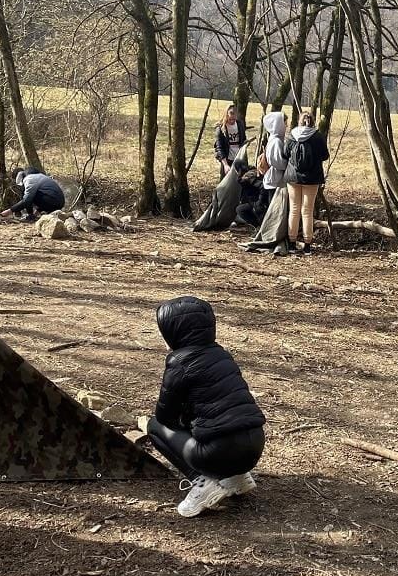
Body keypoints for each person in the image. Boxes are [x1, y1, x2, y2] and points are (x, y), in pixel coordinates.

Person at [137, 296, 267, 518]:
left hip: (218, 452)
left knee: (155, 426)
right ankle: (237, 477)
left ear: (175, 332)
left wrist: (185, 421)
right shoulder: (222, 355)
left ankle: (201, 480)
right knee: (213, 424)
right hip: (255, 444)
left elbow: (165, 416)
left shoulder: (179, 362)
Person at [284, 110, 329, 254]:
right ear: (312, 121)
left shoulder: (292, 134)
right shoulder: (317, 137)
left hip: (293, 177)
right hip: (312, 178)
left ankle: (291, 243)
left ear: (300, 120)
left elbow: (285, 153)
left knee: (294, 209)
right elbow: (324, 155)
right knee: (307, 211)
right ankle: (308, 244)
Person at [0, 167, 65, 221]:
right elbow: (46, 194)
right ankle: (32, 215)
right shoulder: (40, 176)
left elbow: (27, 200)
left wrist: (9, 211)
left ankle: (30, 215)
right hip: (59, 203)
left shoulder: (30, 179)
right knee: (30, 195)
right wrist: (36, 212)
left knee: (28, 197)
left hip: (52, 202)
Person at [214, 105, 246, 179]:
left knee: (239, 182)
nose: (232, 119)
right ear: (226, 114)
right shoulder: (221, 129)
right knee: (225, 183)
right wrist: (225, 165)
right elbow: (219, 148)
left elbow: (243, 140)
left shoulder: (240, 125)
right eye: (231, 114)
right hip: (227, 160)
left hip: (239, 159)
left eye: (234, 118)